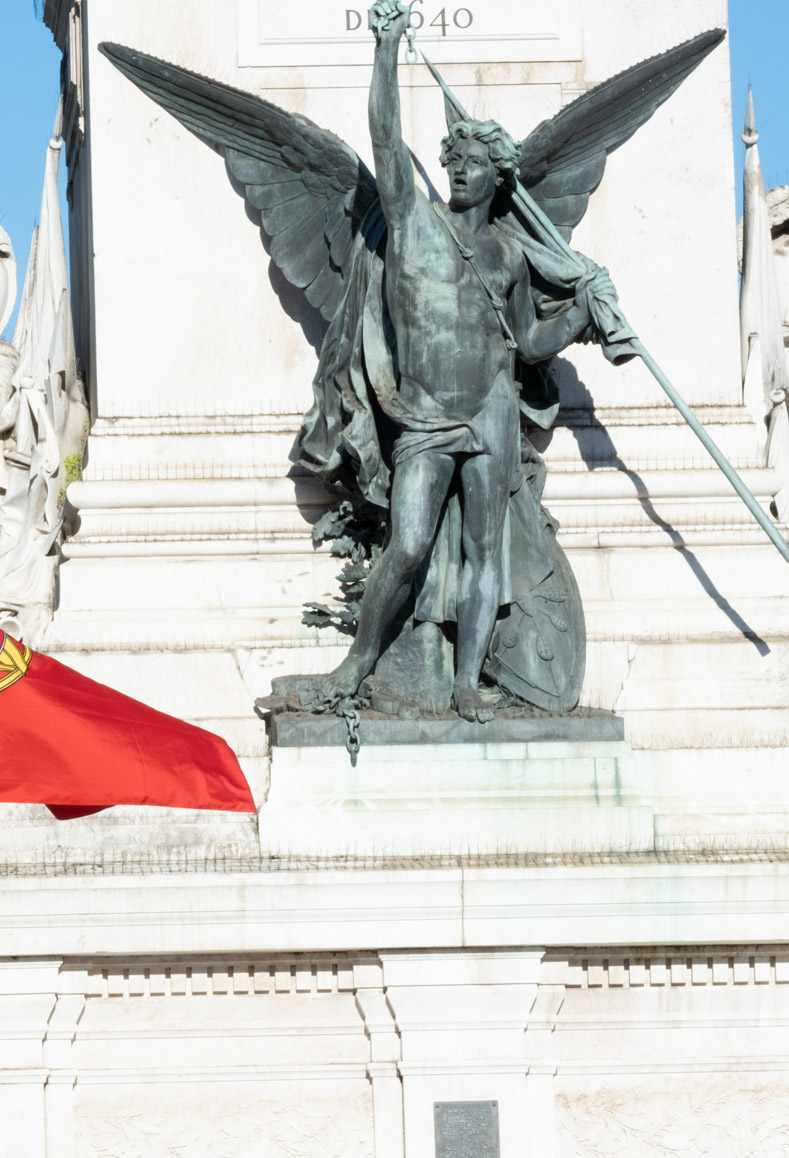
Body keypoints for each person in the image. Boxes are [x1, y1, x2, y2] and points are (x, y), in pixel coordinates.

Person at [315, 0, 616, 720]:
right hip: (425, 415)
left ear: (495, 177)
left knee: (486, 553)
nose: (459, 173)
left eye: (475, 165)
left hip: (491, 411)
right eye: (455, 162)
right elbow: (385, 137)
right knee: (409, 544)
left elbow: (527, 344)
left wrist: (581, 313)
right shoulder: (413, 222)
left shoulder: (509, 255)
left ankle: (466, 681)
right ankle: (359, 660)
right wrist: (386, 48)